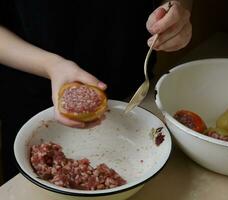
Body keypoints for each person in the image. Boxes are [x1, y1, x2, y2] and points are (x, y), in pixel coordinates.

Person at [0, 0, 192, 182]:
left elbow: (176, 5)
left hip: (135, 90)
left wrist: (176, 12)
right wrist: (51, 65)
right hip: (30, 99)